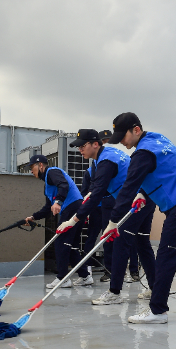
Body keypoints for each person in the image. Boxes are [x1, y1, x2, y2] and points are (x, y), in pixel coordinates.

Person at [104, 112, 176, 324]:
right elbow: (163, 171)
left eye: (124, 136)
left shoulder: (142, 153)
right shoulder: (158, 139)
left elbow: (127, 187)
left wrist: (113, 221)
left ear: (136, 130)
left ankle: (157, 311)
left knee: (166, 259)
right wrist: (144, 193)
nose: (122, 141)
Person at [56, 129, 157, 306]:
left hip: (137, 201)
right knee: (141, 243)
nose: (80, 150)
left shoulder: (106, 161)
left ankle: (114, 292)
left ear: (96, 144)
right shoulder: (101, 159)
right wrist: (88, 195)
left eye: (83, 146)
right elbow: (95, 189)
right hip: (144, 198)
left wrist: (73, 220)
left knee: (120, 242)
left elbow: (98, 195)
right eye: (78, 147)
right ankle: (156, 287)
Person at [24, 154, 92, 288]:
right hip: (76, 208)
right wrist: (33, 217)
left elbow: (64, 185)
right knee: (71, 245)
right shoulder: (47, 186)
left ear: (41, 165)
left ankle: (63, 278)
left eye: (32, 167)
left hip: (72, 207)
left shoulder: (52, 172)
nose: (31, 171)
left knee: (61, 242)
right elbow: (47, 208)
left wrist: (59, 201)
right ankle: (85, 276)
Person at [98, 129, 115, 283]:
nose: (106, 144)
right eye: (104, 141)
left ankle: (134, 270)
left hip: (121, 201)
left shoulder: (117, 156)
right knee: (108, 238)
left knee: (128, 239)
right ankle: (109, 271)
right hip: (106, 203)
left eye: (108, 140)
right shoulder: (98, 163)